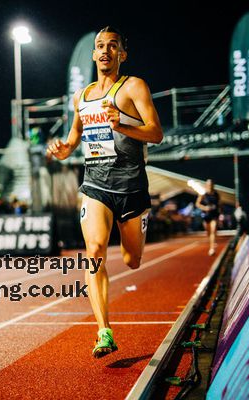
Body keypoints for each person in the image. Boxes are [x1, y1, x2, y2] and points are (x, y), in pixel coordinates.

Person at [46, 26, 163, 358]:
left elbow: (156, 133)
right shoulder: (81, 97)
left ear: (122, 55)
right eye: (100, 46)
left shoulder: (134, 86)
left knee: (132, 259)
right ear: (94, 54)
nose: (105, 51)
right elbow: (74, 137)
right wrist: (64, 148)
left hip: (132, 185)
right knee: (94, 249)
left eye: (113, 46)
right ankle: (104, 331)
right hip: (95, 183)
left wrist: (122, 122)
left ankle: (139, 225)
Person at [195, 179, 220, 256]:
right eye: (209, 184)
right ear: (206, 185)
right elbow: (197, 204)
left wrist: (218, 210)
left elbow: (219, 203)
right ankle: (211, 241)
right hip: (206, 215)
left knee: (213, 230)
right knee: (208, 232)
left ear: (213, 185)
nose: (210, 186)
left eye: (211, 184)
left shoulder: (216, 194)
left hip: (214, 215)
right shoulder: (203, 194)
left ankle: (212, 248)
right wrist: (205, 208)